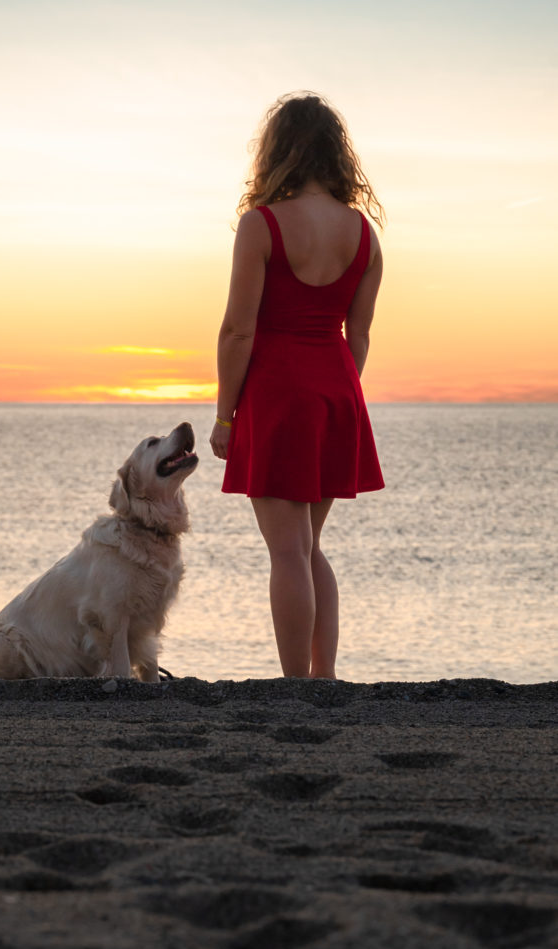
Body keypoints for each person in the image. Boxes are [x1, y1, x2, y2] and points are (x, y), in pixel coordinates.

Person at [209, 92, 385, 680]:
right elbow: (357, 337)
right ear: (336, 154)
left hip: (277, 391)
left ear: (277, 151)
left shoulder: (262, 226)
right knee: (307, 548)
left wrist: (225, 416)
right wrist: (335, 397)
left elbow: (238, 331)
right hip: (335, 388)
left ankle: (294, 686)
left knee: (287, 552)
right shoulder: (364, 236)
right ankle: (324, 677)